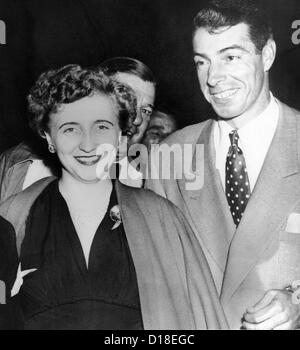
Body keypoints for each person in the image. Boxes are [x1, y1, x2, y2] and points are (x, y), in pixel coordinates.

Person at [0, 64, 228, 330]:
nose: (88, 145)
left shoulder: (163, 218)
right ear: (48, 137)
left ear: (121, 135)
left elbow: (201, 321)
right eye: (70, 129)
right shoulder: (13, 216)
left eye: (102, 127)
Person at [146, 0, 300, 330]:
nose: (214, 77)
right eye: (203, 62)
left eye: (230, 57)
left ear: (267, 55)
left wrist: (297, 302)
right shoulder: (168, 156)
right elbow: (152, 283)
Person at [0, 57, 156, 201]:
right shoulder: (23, 168)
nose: (137, 119)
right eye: (126, 100)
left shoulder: (144, 181)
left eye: (146, 110)